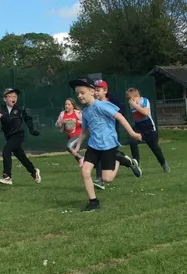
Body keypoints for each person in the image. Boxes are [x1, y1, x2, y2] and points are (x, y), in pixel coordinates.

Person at [69, 77, 143, 212]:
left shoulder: (102, 105)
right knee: (85, 171)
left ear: (92, 92)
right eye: (77, 93)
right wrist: (78, 145)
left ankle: (119, 159)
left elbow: (120, 117)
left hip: (108, 145)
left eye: (82, 92)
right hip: (93, 146)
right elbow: (84, 130)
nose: (79, 96)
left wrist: (132, 134)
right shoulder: (85, 112)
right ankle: (93, 202)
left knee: (107, 179)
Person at [92, 79, 141, 185]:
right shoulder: (94, 103)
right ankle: (100, 178)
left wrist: (132, 133)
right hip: (98, 135)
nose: (95, 93)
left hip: (109, 134)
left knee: (107, 154)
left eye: (98, 90)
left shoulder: (111, 100)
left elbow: (120, 113)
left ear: (105, 90)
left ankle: (123, 161)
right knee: (98, 153)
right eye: (94, 90)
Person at [0, 88, 41, 186]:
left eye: (15, 96)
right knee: (21, 156)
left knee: (6, 151)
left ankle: (7, 176)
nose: (13, 98)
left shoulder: (20, 109)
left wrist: (32, 130)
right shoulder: (0, 109)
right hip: (9, 136)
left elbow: (28, 119)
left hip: (18, 135)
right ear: (5, 99)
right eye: (10, 96)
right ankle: (34, 172)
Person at [126, 87, 169, 172]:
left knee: (154, 148)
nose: (130, 101)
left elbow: (145, 113)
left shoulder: (144, 101)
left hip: (148, 127)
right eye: (129, 99)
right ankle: (136, 163)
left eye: (131, 99)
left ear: (137, 96)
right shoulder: (132, 104)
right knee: (132, 141)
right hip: (139, 127)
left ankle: (163, 163)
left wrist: (135, 105)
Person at [55, 98, 84, 167]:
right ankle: (83, 162)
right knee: (73, 150)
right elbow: (57, 124)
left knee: (69, 146)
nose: (66, 106)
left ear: (73, 106)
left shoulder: (78, 113)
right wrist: (60, 123)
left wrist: (78, 122)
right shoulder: (62, 114)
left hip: (79, 135)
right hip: (70, 136)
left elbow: (86, 122)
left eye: (68, 104)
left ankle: (81, 158)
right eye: (65, 104)